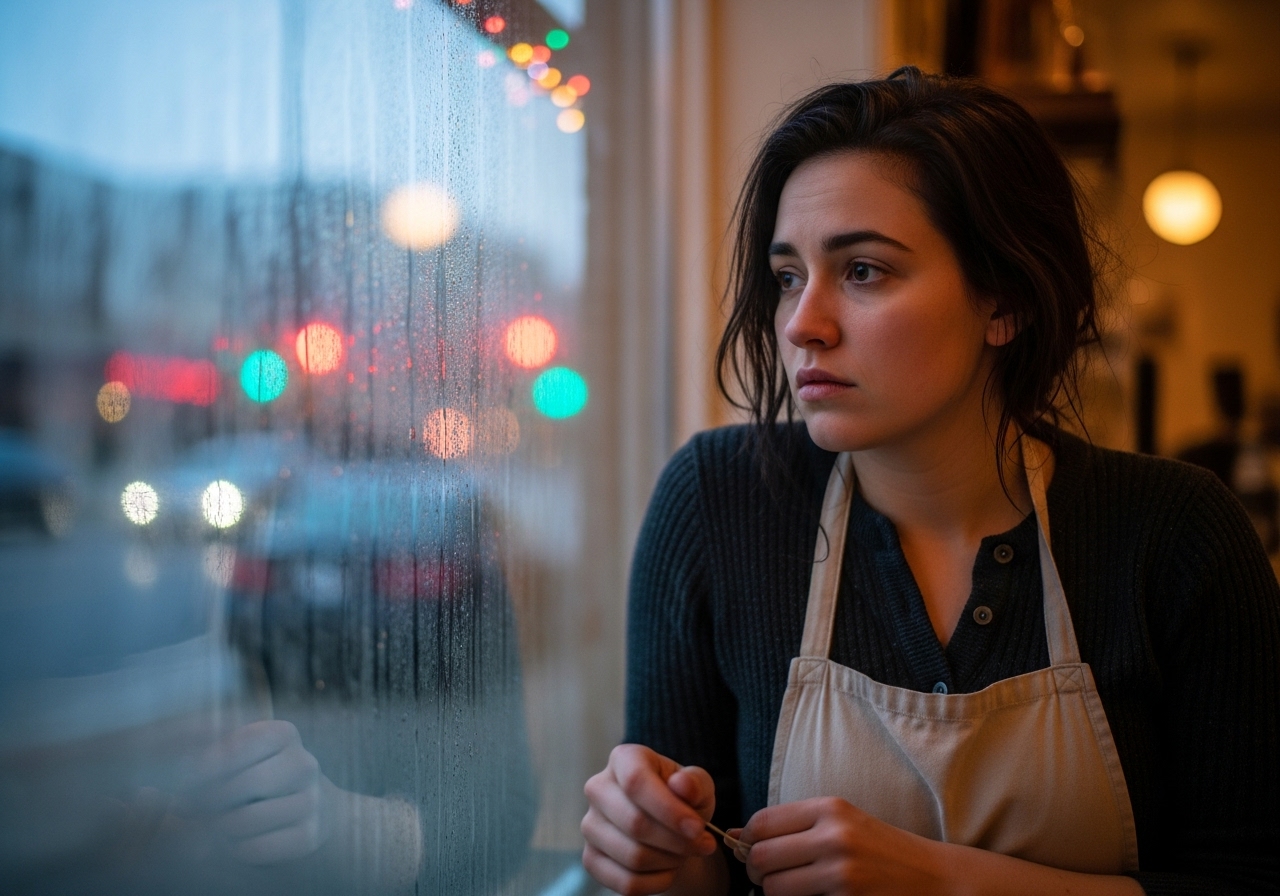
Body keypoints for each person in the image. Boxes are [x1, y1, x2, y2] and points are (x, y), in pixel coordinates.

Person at [580, 67, 1280, 895]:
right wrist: (660, 854)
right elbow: (711, 865)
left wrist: (945, 881)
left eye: (865, 270)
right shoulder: (718, 503)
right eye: (787, 276)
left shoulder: (1175, 531)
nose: (804, 324)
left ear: (1004, 301)